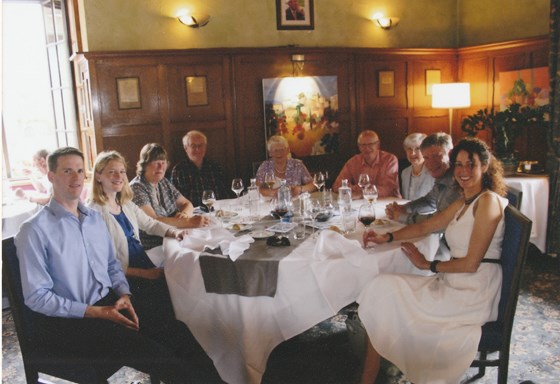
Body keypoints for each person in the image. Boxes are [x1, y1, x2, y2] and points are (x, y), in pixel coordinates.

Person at [14, 147, 205, 383]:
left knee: (178, 332)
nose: (75, 178)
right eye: (67, 171)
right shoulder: (34, 230)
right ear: (51, 177)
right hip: (71, 321)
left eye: (79, 170)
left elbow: (112, 265)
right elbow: (37, 298)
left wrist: (123, 292)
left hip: (108, 303)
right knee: (160, 355)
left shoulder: (92, 219)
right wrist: (96, 312)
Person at [359, 138, 508, 384]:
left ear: (485, 165)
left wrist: (427, 265)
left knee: (388, 297)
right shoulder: (465, 200)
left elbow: (471, 263)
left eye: (471, 165)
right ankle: (368, 377)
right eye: (459, 165)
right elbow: (428, 225)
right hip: (454, 282)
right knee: (380, 287)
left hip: (473, 293)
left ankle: (370, 377)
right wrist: (387, 237)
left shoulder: (488, 202)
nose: (463, 171)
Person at [88, 150, 222, 382]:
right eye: (112, 172)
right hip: (125, 280)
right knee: (171, 316)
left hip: (143, 267)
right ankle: (184, 372)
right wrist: (146, 274)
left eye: (121, 171)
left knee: (182, 306)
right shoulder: (93, 213)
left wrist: (174, 231)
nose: (119, 176)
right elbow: (101, 266)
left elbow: (150, 224)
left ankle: (200, 367)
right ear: (99, 176)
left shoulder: (124, 202)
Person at [130, 143, 210, 250]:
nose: (161, 167)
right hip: (153, 245)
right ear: (144, 165)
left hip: (173, 236)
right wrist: (188, 222)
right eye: (156, 162)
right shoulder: (136, 187)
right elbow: (153, 222)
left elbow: (187, 204)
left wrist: (184, 214)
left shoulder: (162, 181)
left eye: (163, 163)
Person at [386, 132, 460, 224]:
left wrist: (403, 217)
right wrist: (404, 208)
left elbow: (439, 221)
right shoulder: (442, 176)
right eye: (426, 158)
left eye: (436, 156)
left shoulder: (457, 180)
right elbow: (429, 201)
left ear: (450, 154)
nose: (430, 163)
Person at [332, 130, 401, 199]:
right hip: (362, 203)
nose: (367, 148)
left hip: (388, 202)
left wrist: (361, 193)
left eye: (371, 144)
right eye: (363, 145)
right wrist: (361, 190)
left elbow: (387, 189)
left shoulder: (390, 159)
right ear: (359, 146)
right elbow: (337, 185)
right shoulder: (353, 161)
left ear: (378, 144)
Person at [171, 130, 231, 207]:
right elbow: (175, 200)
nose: (198, 149)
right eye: (193, 146)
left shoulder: (214, 167)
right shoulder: (178, 170)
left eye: (200, 145)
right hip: (192, 214)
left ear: (205, 147)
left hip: (217, 211)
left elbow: (225, 194)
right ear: (186, 148)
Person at [400, 133, 435, 200]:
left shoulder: (433, 172)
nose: (412, 153)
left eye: (417, 149)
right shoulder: (405, 173)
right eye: (409, 149)